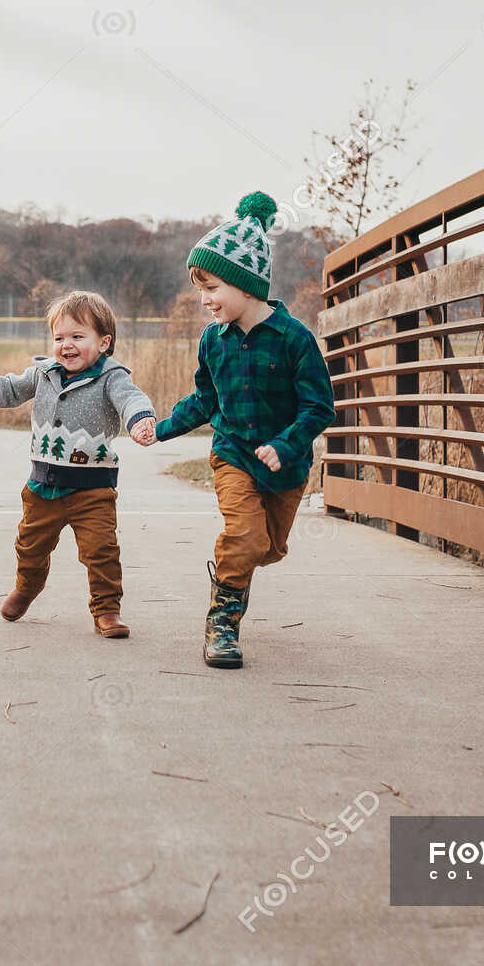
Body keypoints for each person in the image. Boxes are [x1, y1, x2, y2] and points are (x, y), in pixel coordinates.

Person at [154, 193, 335, 668]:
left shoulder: (295, 339)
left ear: (244, 283)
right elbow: (205, 400)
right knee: (245, 537)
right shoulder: (213, 341)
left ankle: (234, 575)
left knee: (269, 548)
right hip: (233, 454)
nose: (204, 300)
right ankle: (223, 624)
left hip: (287, 464)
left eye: (211, 287)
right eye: (200, 290)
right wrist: (164, 428)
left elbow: (319, 407)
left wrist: (285, 443)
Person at [0, 291, 156, 638]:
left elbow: (131, 399)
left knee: (102, 552)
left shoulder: (112, 377)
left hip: (93, 490)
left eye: (78, 337)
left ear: (103, 342)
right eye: (59, 337)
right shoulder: (43, 373)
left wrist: (140, 419)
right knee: (29, 546)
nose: (66, 345)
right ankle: (26, 588)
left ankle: (107, 610)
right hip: (42, 489)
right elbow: (10, 387)